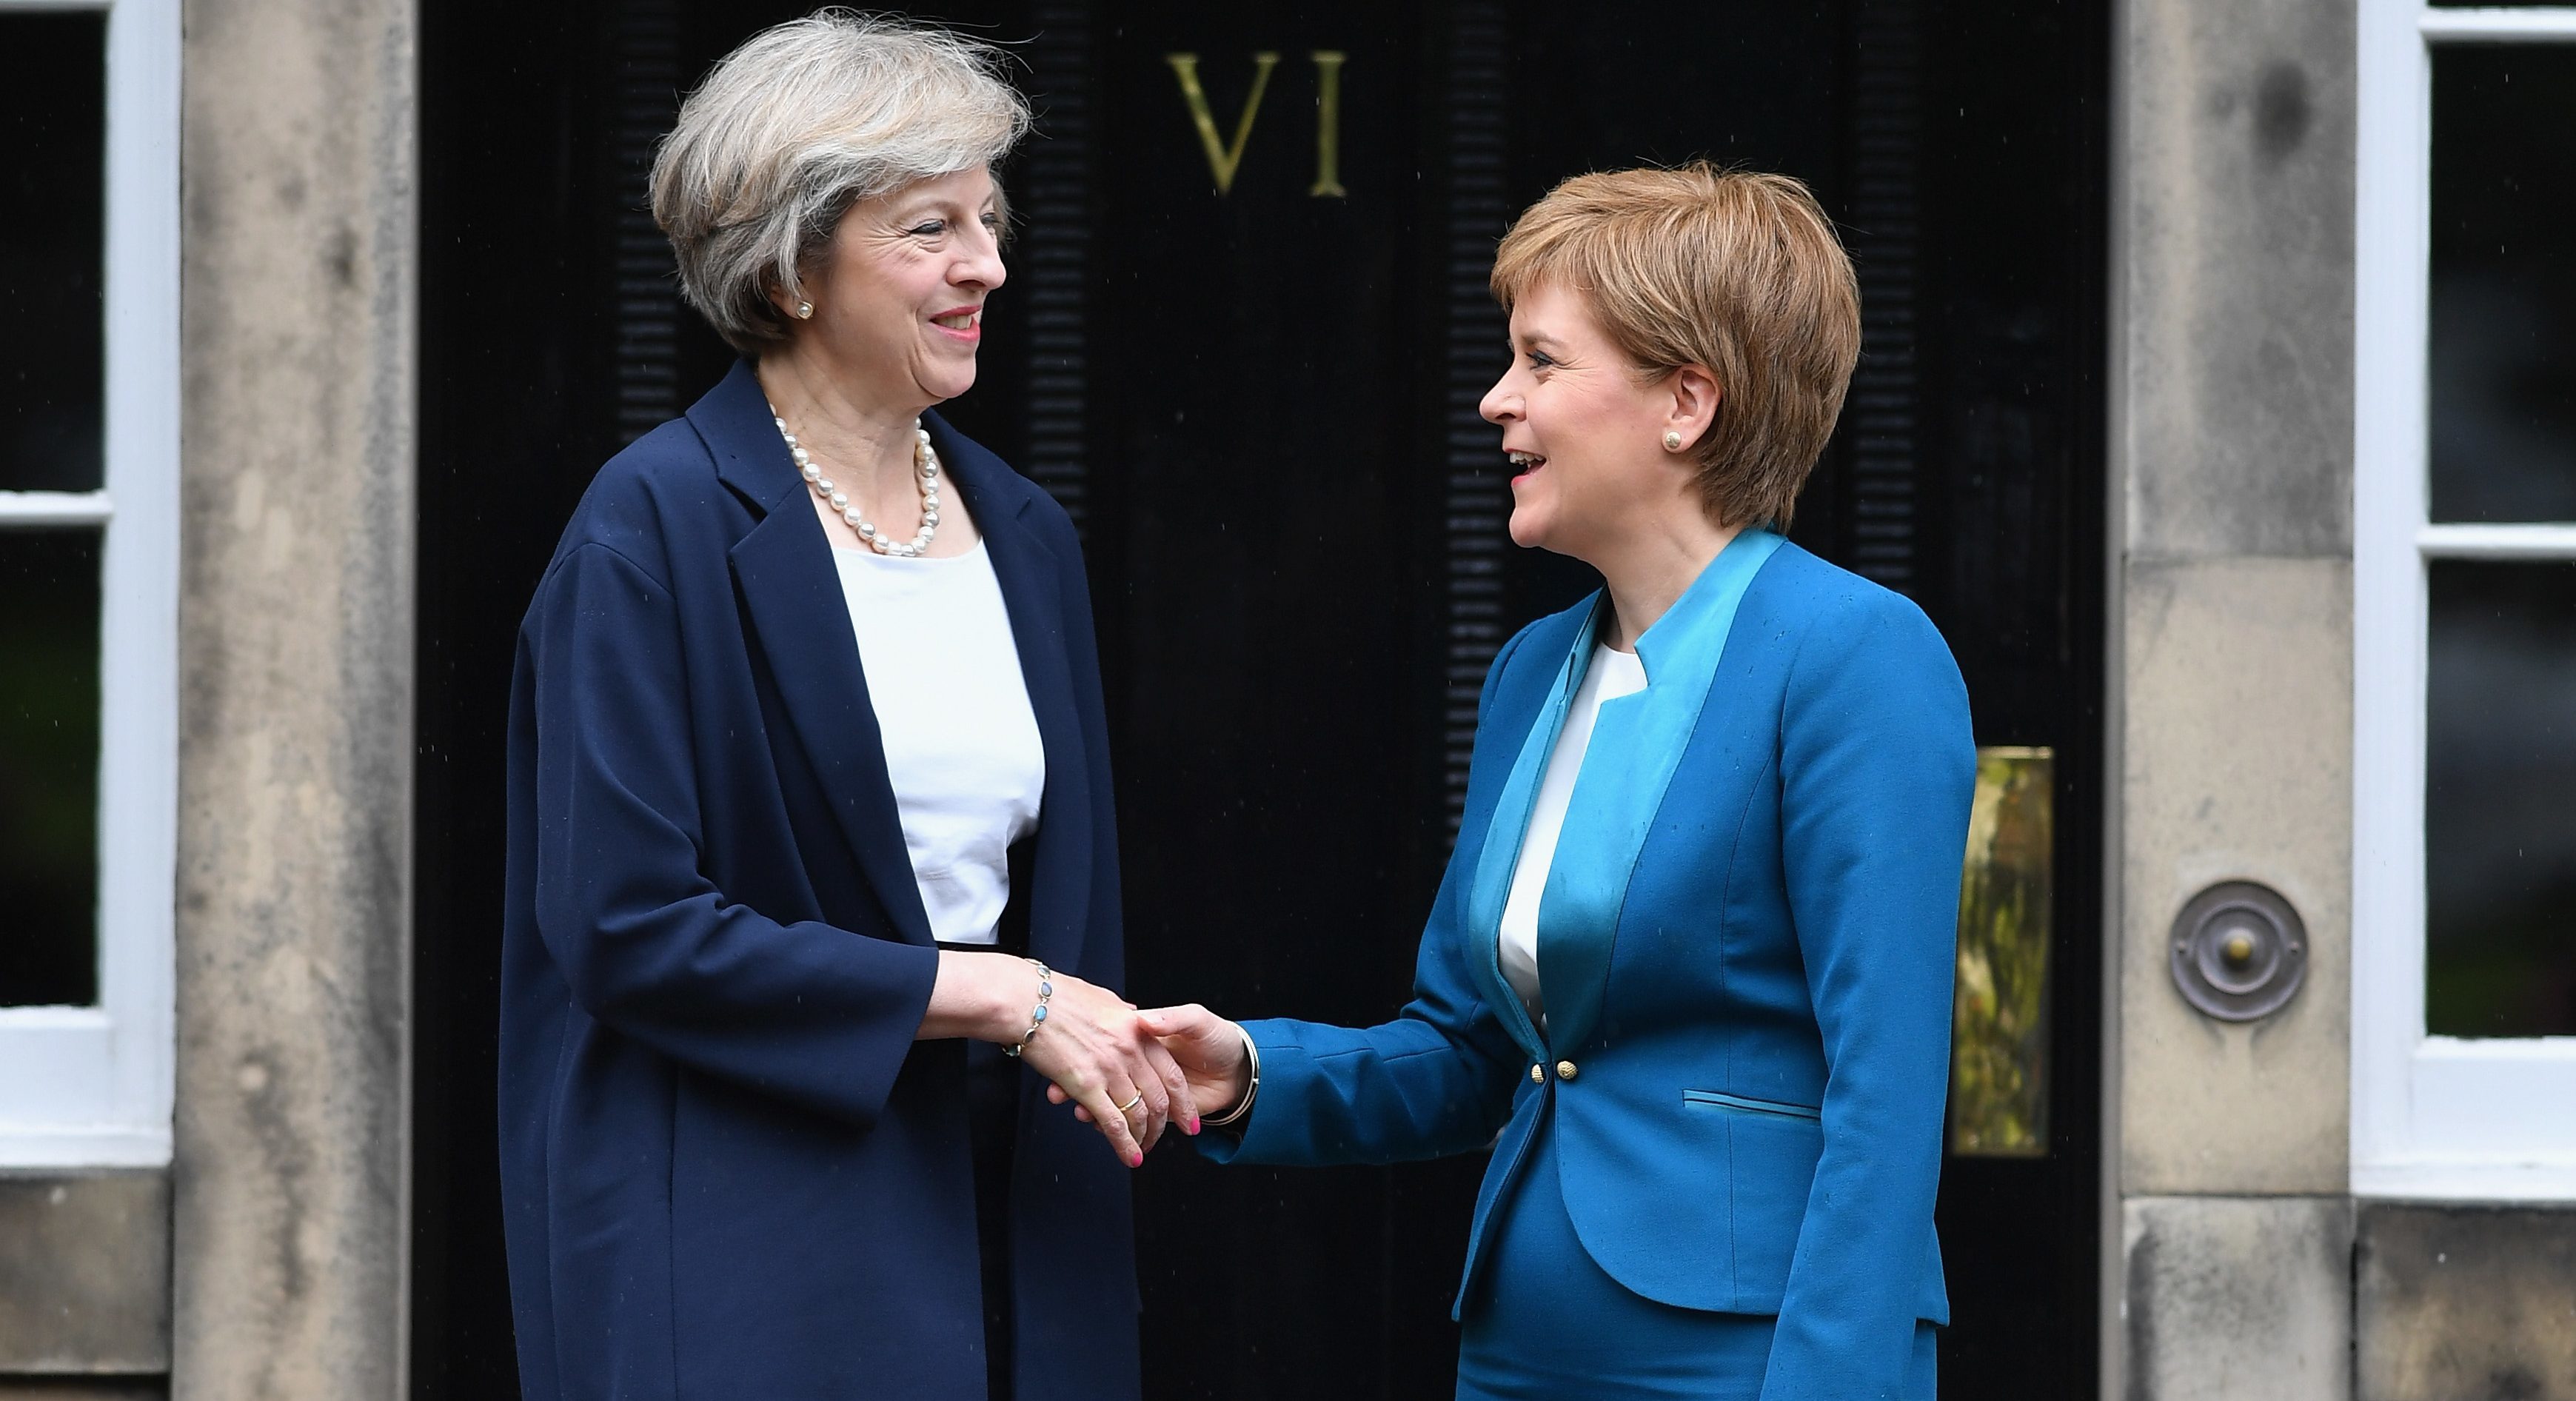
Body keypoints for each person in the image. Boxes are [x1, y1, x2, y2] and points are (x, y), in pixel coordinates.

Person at [1131, 164, 1975, 1400]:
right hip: (1519, 1349)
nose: (1495, 401)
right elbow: (1475, 1049)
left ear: (1686, 401)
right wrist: (1256, 1072)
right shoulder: (1535, 670)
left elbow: (1887, 1102)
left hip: (1749, 1359)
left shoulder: (1853, 655)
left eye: (1540, 361)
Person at [498, 14, 1186, 1400]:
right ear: (795, 263)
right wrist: (989, 993)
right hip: (741, 1233)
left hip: (1008, 1217)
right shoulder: (652, 529)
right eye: (930, 227)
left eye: (987, 219)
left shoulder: (1024, 531)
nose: (987, 263)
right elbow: (627, 928)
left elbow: (1058, 908)